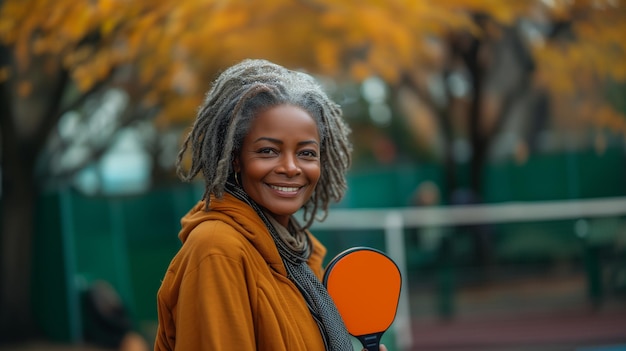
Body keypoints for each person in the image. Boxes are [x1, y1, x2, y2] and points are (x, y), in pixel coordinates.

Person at [154, 59, 388, 351]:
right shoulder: (217, 250)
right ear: (237, 157)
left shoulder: (302, 256)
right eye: (268, 151)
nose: (291, 167)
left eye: (306, 153)